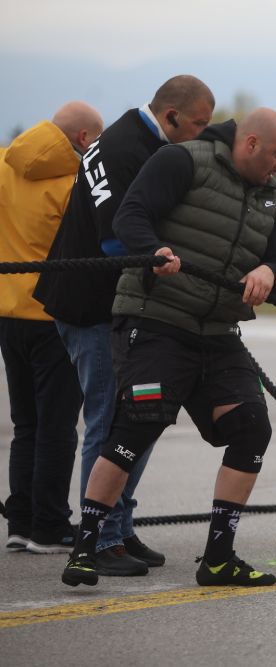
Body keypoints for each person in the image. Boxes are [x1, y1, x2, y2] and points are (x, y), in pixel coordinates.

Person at [60, 107, 276, 588]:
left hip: (217, 334)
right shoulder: (182, 161)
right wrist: (154, 250)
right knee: (135, 425)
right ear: (250, 144)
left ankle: (217, 558)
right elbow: (130, 215)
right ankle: (86, 549)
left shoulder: (271, 200)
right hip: (156, 322)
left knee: (252, 428)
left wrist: (270, 273)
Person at [34, 75, 215, 576]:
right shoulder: (121, 149)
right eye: (197, 124)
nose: (200, 136)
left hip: (113, 306)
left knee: (138, 420)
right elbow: (117, 240)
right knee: (110, 423)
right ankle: (101, 537)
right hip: (89, 306)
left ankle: (120, 525)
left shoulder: (135, 140)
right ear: (172, 116)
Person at [1, 102, 103, 553]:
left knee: (26, 424)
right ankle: (50, 525)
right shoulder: (76, 182)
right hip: (52, 316)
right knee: (58, 426)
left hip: (7, 312)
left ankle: (19, 523)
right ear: (83, 138)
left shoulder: (5, 164)